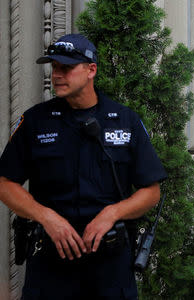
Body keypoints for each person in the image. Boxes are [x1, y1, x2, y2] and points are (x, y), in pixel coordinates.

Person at [0, 34, 167, 299]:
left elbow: (151, 191)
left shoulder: (125, 121)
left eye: (66, 67)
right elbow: (5, 184)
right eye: (54, 67)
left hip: (110, 265)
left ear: (91, 70)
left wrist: (112, 213)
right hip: (51, 264)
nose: (57, 75)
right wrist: (46, 216)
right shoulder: (35, 121)